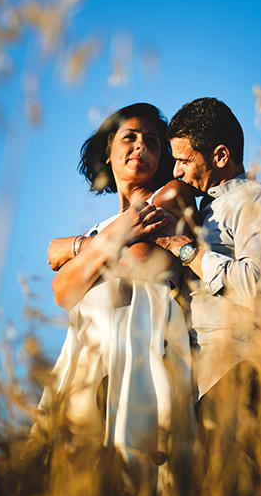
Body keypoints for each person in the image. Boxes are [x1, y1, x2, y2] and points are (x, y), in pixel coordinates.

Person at [39, 103, 199, 473]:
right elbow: (62, 291)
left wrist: (77, 251)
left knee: (138, 470)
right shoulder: (104, 224)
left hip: (140, 343)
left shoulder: (172, 194)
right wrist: (112, 234)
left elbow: (142, 260)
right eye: (130, 137)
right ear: (109, 152)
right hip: (89, 347)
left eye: (153, 142)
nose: (141, 146)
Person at [150, 97, 261, 477]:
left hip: (243, 373)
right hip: (205, 385)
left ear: (221, 156)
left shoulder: (256, 201)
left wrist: (188, 252)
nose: (175, 170)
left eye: (183, 160)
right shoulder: (204, 210)